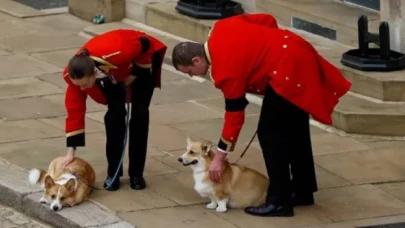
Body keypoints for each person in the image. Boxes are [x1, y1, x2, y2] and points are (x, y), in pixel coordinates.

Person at [171, 13, 351, 217]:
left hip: (286, 71)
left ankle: (279, 201)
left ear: (196, 60)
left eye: (190, 71)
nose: (192, 76)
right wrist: (268, 48)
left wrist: (219, 157)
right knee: (295, 128)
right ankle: (303, 190)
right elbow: (266, 19)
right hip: (296, 50)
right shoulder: (221, 27)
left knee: (270, 134)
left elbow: (234, 116)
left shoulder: (225, 70)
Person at [62, 29, 167, 191]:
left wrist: (131, 78)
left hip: (140, 65)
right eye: (79, 85)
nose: (82, 88)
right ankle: (114, 173)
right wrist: (71, 152)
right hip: (114, 77)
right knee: (114, 118)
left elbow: (145, 45)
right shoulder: (74, 77)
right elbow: (74, 112)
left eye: (84, 84)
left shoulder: (118, 50)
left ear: (93, 74)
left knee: (139, 116)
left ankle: (136, 174)